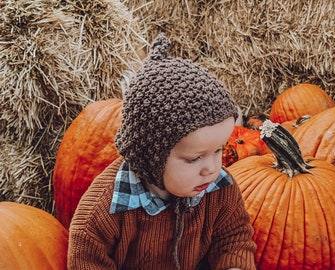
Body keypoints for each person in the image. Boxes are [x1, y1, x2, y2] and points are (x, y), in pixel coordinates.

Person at [67, 33, 256, 270]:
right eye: (194, 158)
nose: (212, 168)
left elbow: (233, 237)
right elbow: (87, 260)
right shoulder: (104, 210)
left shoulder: (220, 189)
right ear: (151, 156)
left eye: (218, 150)